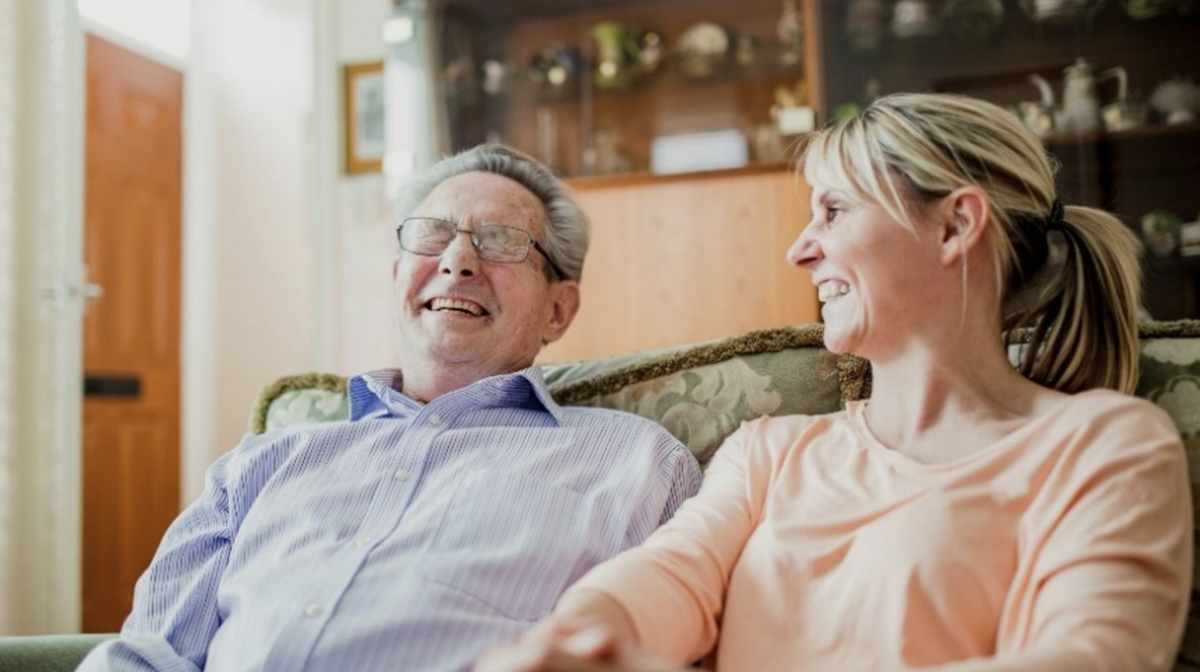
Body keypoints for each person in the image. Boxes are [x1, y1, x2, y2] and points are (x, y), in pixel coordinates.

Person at [476, 93, 1193, 672]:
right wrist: (585, 635)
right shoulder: (770, 450)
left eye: (834, 211)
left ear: (955, 226)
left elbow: (1093, 656)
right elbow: (671, 574)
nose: (799, 250)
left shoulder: (1102, 444)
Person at [78, 144, 702, 672]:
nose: (458, 261)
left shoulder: (639, 463)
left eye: (501, 241)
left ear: (558, 310)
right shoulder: (256, 466)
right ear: (400, 271)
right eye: (434, 235)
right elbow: (147, 654)